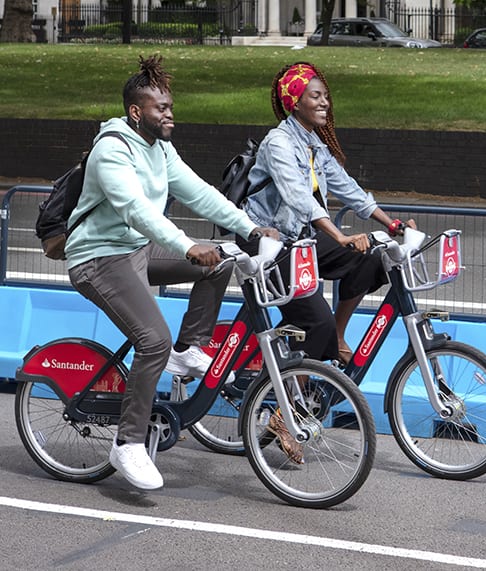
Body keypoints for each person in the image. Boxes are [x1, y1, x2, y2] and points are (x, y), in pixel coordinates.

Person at [66, 55, 276, 491]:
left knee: (218, 262)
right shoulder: (112, 149)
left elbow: (199, 192)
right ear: (136, 112)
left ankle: (190, 347)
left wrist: (248, 226)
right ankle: (127, 443)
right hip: (98, 258)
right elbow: (136, 211)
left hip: (136, 251)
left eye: (171, 107)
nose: (170, 116)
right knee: (152, 339)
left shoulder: (161, 149)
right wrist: (185, 246)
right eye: (161, 109)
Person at [240, 62, 413, 462]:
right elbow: (298, 196)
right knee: (312, 320)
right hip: (268, 241)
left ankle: (337, 334)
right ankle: (283, 413)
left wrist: (392, 222)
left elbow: (346, 187)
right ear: (293, 101)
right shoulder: (279, 143)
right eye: (315, 96)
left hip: (301, 239)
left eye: (325, 95)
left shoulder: (314, 143)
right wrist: (338, 235)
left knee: (370, 260)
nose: (325, 102)